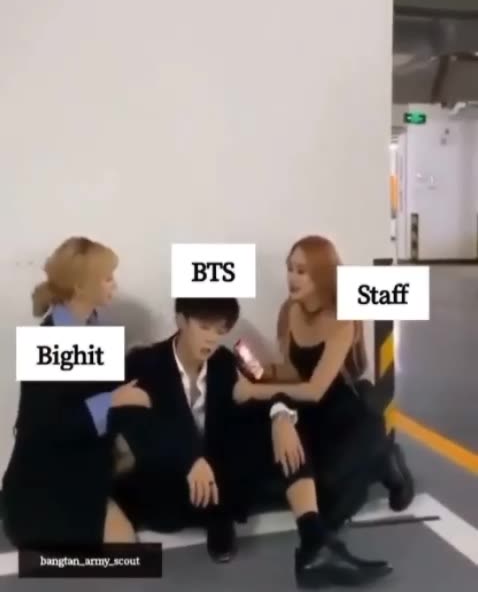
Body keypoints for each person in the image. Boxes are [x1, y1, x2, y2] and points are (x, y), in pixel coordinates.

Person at [233, 235, 413, 587]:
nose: (292, 277)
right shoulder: (288, 310)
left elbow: (316, 389)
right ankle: (316, 551)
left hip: (340, 412)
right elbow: (292, 373)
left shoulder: (344, 318)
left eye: (302, 271)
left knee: (331, 498)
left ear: (322, 275)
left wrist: (256, 390)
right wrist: (262, 373)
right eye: (289, 269)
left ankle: (386, 462)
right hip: (305, 407)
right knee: (293, 470)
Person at [115, 297, 297, 564]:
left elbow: (266, 387)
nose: (212, 338)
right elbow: (135, 427)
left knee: (253, 428)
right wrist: (190, 458)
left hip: (220, 467)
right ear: (181, 321)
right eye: (204, 327)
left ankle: (219, 516)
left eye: (220, 330)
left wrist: (281, 415)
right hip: (166, 472)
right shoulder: (142, 361)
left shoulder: (232, 357)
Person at [2, 236, 151, 548]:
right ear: (82, 286)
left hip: (86, 463)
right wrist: (112, 400)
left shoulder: (96, 329)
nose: (114, 285)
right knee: (126, 551)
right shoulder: (48, 340)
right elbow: (44, 426)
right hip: (47, 480)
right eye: (107, 278)